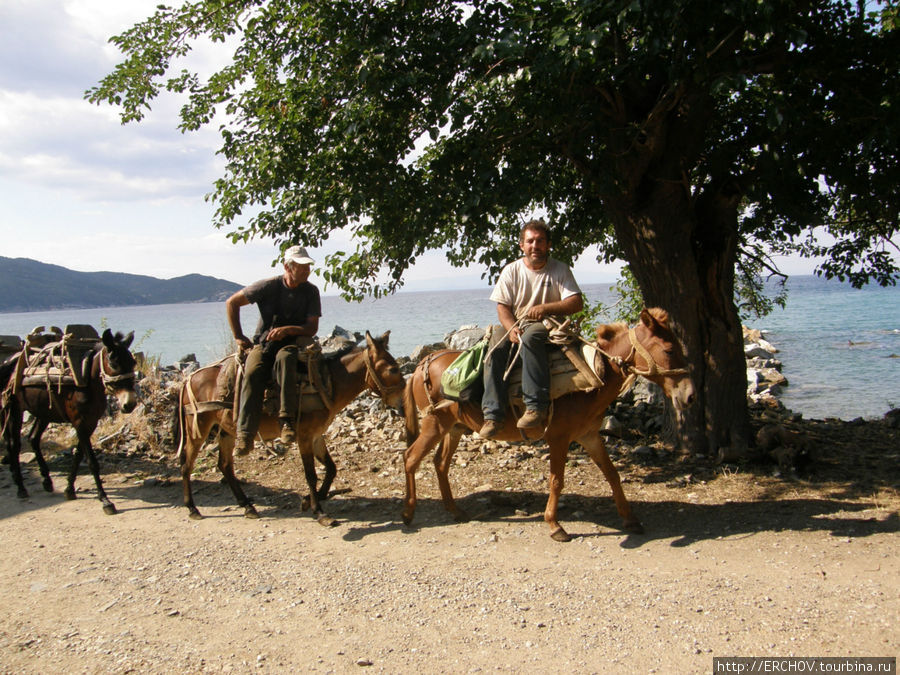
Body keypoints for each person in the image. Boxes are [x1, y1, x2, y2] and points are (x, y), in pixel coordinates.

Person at [479, 219, 584, 438]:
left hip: (548, 324)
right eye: (530, 241)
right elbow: (503, 307)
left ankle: (536, 406)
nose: (535, 246)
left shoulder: (560, 270)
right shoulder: (511, 270)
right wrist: (510, 329)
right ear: (522, 245)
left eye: (540, 241)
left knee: (531, 338)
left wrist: (545, 308)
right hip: (516, 322)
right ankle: (492, 415)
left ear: (548, 245)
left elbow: (575, 302)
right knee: (495, 348)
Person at [226, 245, 322, 455]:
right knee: (252, 372)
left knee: (286, 360)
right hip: (264, 343)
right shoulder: (268, 286)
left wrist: (288, 330)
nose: (307, 271)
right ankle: (245, 435)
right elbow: (232, 303)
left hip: (292, 343)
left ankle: (286, 422)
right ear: (288, 267)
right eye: (302, 267)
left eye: (308, 267)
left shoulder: (311, 291)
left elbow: (312, 327)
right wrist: (238, 336)